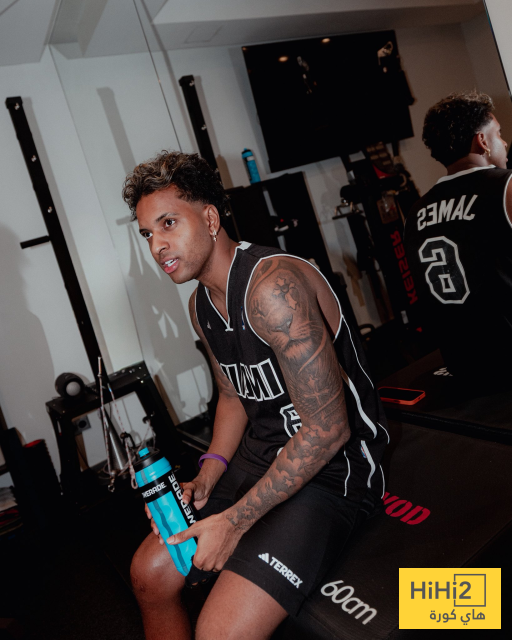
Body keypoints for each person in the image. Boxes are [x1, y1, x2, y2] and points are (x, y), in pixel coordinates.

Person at [122, 151, 388, 640]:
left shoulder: (272, 287)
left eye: (168, 223)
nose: (157, 245)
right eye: (146, 234)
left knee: (218, 634)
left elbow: (329, 430)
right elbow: (232, 394)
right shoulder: (201, 305)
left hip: (333, 471)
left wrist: (234, 522)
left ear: (210, 219)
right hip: (259, 456)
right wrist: (209, 474)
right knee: (150, 574)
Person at [404, 91, 512, 384]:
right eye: (499, 133)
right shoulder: (505, 186)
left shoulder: (415, 212)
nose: (504, 143)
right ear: (482, 141)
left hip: (461, 364)